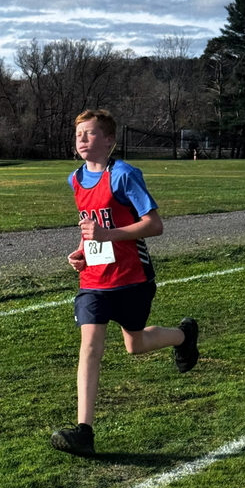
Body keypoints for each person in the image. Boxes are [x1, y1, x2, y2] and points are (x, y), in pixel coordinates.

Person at [50, 109, 199, 457]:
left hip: (132, 278)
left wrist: (109, 235)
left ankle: (183, 336)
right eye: (78, 135)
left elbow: (154, 225)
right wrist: (83, 251)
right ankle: (84, 431)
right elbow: (92, 229)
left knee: (135, 345)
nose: (82, 140)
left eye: (89, 134)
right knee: (90, 346)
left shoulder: (124, 175)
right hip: (94, 280)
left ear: (109, 140)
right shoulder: (75, 179)